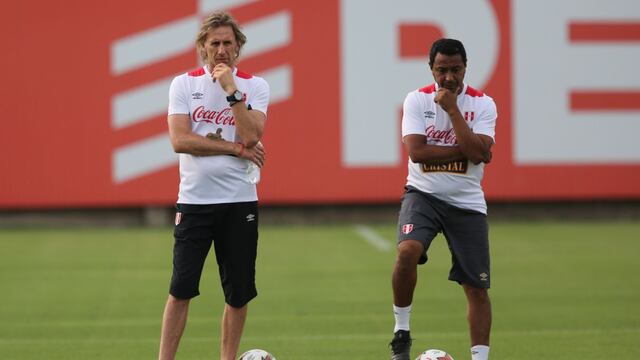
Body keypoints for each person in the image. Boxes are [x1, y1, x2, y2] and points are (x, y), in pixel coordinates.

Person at [158, 10, 269, 360]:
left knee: (238, 294)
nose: (221, 50)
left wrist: (231, 90)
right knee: (180, 289)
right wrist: (234, 148)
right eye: (215, 43)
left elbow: (252, 135)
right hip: (194, 202)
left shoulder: (255, 85)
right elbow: (180, 140)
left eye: (228, 43)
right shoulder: (184, 84)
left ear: (238, 48)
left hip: (239, 202)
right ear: (203, 47)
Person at [389, 38, 496, 360]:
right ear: (431, 68)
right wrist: (467, 150)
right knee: (407, 252)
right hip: (423, 194)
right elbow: (418, 152)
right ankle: (401, 332)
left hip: (467, 203)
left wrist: (452, 110)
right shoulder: (417, 100)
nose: (448, 77)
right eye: (441, 70)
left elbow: (479, 153)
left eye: (455, 69)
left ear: (465, 67)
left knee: (477, 287)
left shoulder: (483, 103)